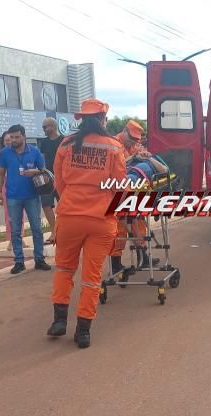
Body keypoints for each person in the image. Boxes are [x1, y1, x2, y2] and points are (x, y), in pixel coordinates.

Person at [47, 99, 126, 348]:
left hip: (70, 215)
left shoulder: (67, 143)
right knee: (92, 277)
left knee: (64, 269)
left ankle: (59, 320)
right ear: (103, 119)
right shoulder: (114, 146)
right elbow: (119, 186)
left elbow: (58, 180)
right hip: (101, 219)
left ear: (81, 119)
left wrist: (70, 198)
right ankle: (83, 331)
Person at [110, 120, 166, 271]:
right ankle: (115, 264)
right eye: (132, 138)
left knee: (138, 224)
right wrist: (135, 158)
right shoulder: (114, 144)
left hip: (133, 190)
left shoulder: (133, 145)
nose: (134, 141)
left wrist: (143, 155)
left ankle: (144, 257)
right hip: (117, 191)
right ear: (124, 131)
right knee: (119, 228)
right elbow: (116, 166)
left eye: (137, 139)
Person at [0, 125, 51, 274]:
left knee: (37, 229)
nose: (13, 140)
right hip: (13, 196)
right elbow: (0, 173)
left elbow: (44, 172)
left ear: (24, 136)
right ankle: (19, 261)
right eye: (11, 137)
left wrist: (36, 171)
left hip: (32, 195)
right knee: (15, 231)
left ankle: (39, 259)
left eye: (16, 137)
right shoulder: (5, 153)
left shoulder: (34, 151)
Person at [0, 132, 27, 252]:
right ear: (2, 141)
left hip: (19, 185)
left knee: (20, 214)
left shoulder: (16, 153)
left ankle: (20, 237)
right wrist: (4, 172)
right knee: (10, 214)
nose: (9, 141)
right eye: (6, 140)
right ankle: (12, 239)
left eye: (11, 139)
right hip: (6, 183)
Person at [40, 117, 63, 244]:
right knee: (46, 204)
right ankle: (54, 231)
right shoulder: (43, 142)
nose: (43, 129)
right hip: (47, 178)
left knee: (63, 206)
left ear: (53, 127)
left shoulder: (64, 140)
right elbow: (42, 159)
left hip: (62, 178)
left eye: (45, 127)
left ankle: (63, 230)